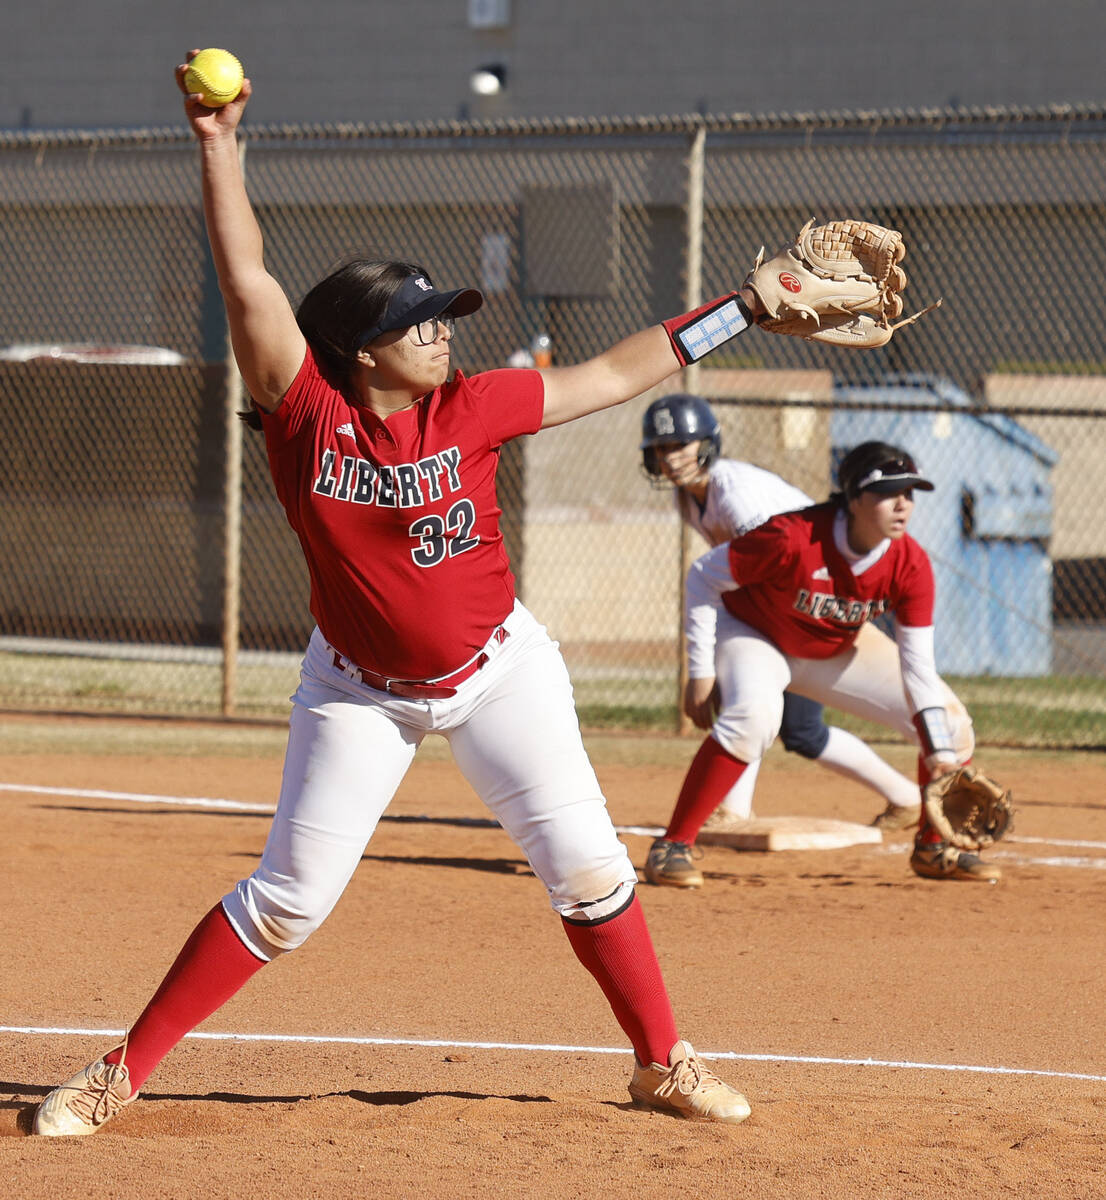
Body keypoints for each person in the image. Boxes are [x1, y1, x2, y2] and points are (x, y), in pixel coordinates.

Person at [32, 52, 779, 1136]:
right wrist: (217, 147)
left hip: (498, 669)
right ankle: (120, 1070)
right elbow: (247, 283)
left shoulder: (472, 406)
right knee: (288, 901)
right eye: (420, 320)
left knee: (584, 863)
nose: (443, 331)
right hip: (359, 693)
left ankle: (662, 1060)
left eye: (442, 317)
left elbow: (619, 371)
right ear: (358, 350)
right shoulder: (304, 416)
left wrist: (742, 309)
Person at [643, 439, 999, 890]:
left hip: (830, 649)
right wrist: (700, 671)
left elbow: (918, 671)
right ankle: (673, 845)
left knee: (952, 726)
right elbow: (703, 577)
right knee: (754, 717)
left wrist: (943, 756)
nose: (903, 504)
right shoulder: (792, 537)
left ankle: (933, 848)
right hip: (756, 633)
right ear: (852, 498)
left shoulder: (910, 564)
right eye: (888, 492)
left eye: (910, 493)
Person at [639, 392, 921, 874]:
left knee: (794, 725)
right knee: (780, 720)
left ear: (708, 444)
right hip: (774, 613)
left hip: (807, 611)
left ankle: (907, 796)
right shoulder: (690, 496)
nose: (671, 458)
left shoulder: (736, 495)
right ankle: (898, 797)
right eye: (662, 448)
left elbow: (784, 564)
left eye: (682, 445)